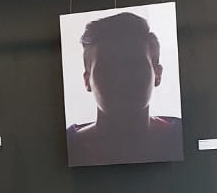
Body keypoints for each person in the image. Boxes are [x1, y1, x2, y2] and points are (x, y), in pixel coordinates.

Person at [65, 11, 184, 167]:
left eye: (134, 65)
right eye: (107, 68)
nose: (121, 78)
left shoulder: (183, 135)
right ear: (87, 81)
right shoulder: (67, 146)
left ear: (157, 74)